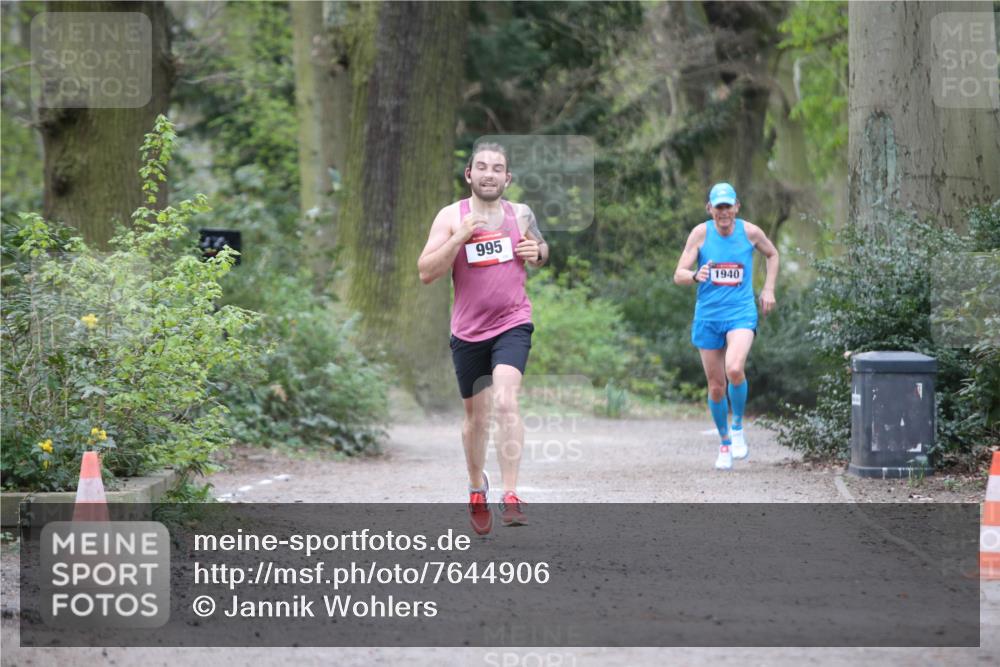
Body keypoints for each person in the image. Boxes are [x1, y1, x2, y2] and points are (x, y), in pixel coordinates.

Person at [418, 142, 548, 533]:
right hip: (468, 331)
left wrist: (537, 251)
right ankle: (477, 487)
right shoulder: (451, 216)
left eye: (498, 168)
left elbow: (541, 248)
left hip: (513, 322)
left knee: (507, 402)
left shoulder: (520, 213)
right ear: (469, 175)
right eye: (482, 167)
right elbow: (426, 271)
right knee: (476, 420)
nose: (489, 174)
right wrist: (459, 239)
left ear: (507, 178)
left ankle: (511, 494)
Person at [673, 182, 779, 470]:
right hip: (708, 316)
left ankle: (737, 427)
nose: (724, 212)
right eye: (718, 207)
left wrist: (768, 289)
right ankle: (724, 443)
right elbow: (678, 275)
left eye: (728, 206)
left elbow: (773, 254)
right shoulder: (700, 233)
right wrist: (696, 275)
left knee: (734, 368)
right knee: (716, 387)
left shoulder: (750, 232)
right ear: (710, 209)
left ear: (736, 207)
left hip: (741, 313)